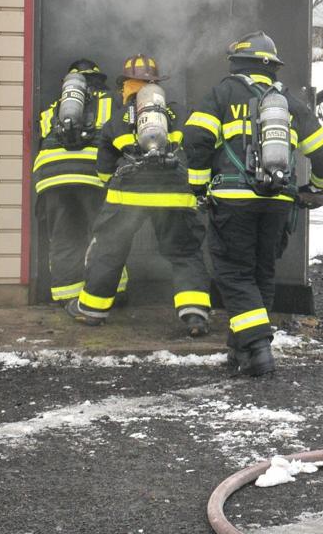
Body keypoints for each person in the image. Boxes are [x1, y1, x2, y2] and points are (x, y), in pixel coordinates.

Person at [184, 31, 323, 377]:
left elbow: (196, 138)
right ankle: (241, 350)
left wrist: (198, 186)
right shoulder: (291, 104)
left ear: (237, 63)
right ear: (272, 68)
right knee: (259, 273)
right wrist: (317, 187)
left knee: (235, 275)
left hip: (233, 200)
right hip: (277, 202)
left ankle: (260, 349)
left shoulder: (223, 93)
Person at [65, 55, 211, 336]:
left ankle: (92, 310)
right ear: (156, 85)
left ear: (128, 86)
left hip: (128, 195)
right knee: (185, 253)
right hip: (175, 195)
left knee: (108, 251)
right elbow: (195, 149)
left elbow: (105, 171)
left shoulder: (117, 119)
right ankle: (195, 315)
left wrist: (115, 185)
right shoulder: (177, 113)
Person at [33, 59, 114, 307]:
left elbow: (42, 138)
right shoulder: (111, 102)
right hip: (92, 174)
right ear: (97, 79)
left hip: (53, 176)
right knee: (106, 236)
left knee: (64, 237)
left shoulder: (54, 107)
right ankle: (112, 293)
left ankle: (67, 296)